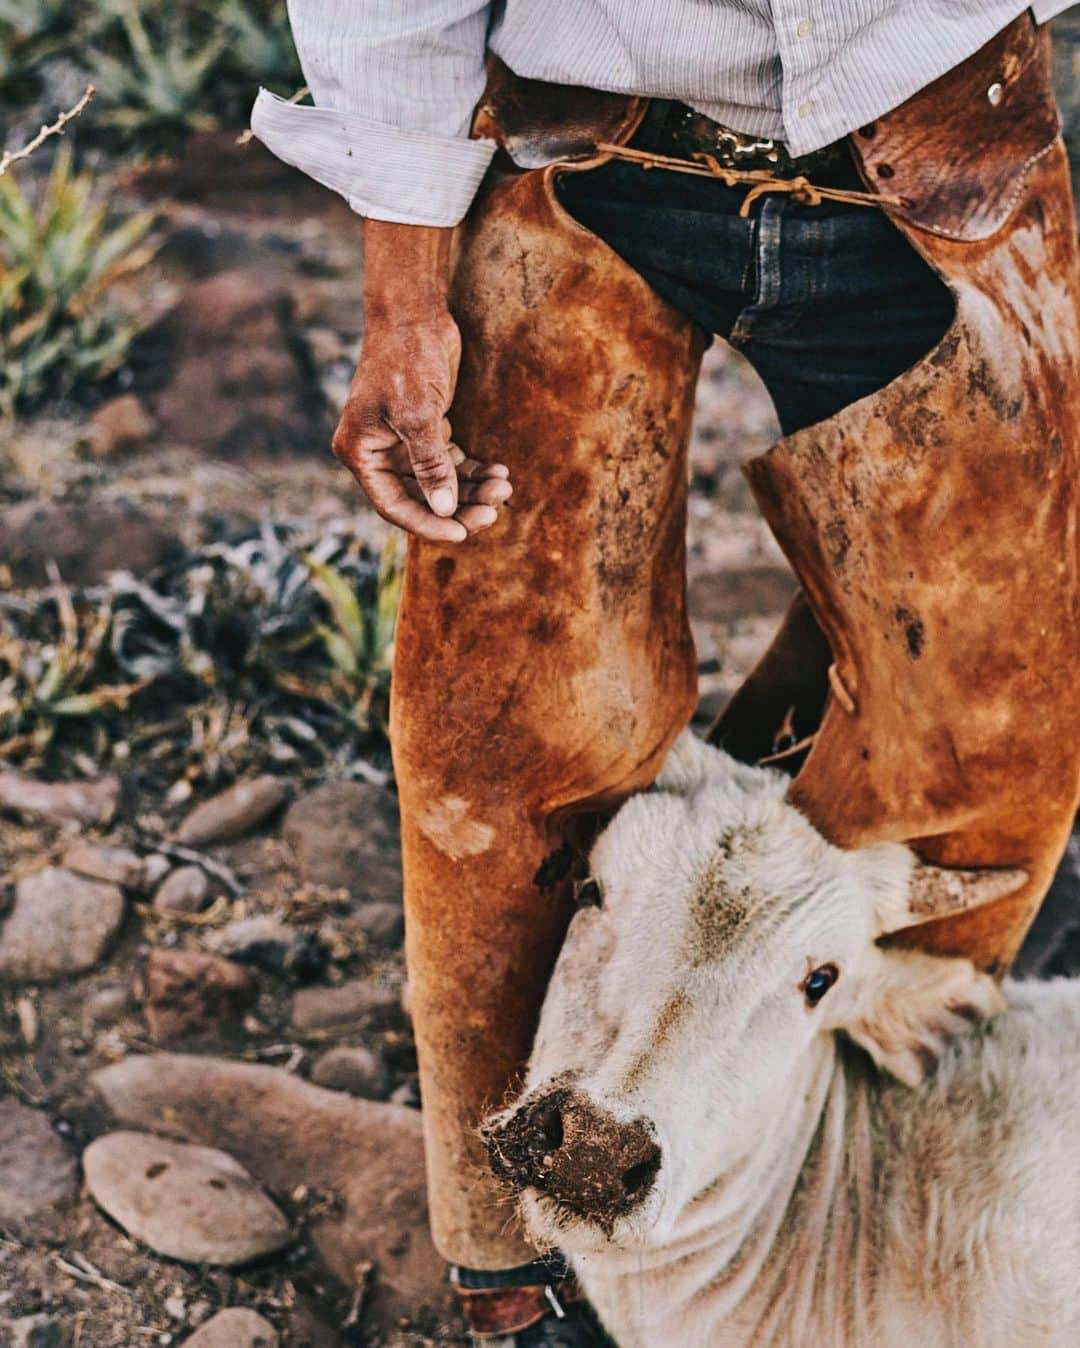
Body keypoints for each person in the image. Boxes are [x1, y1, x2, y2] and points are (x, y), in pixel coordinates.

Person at [252, 6, 1080, 1343]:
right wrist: (406, 287)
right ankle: (512, 1270)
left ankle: (848, 1232)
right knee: (498, 740)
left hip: (945, 141)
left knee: (995, 760)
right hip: (577, 154)